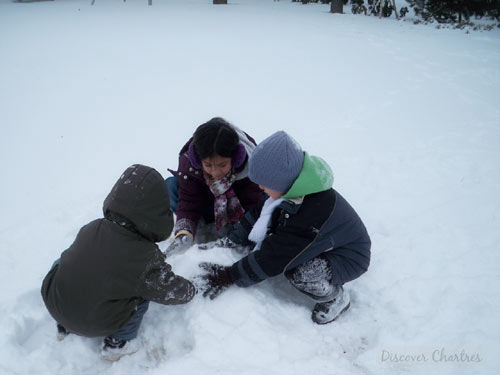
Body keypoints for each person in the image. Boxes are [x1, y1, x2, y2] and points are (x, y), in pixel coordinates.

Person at [198, 131, 371, 325]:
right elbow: (258, 214)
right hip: (324, 243)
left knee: (300, 272)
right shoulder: (290, 191)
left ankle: (335, 298)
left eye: (264, 184)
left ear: (282, 181)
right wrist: (234, 239)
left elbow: (276, 256)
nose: (261, 188)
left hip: (347, 256)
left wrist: (230, 275)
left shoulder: (311, 213)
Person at [41, 164, 196, 361]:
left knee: (69, 260)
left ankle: (64, 326)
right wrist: (193, 288)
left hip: (54, 303)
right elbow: (170, 290)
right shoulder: (145, 257)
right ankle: (118, 343)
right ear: (157, 213)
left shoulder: (92, 227)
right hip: (92, 323)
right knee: (143, 289)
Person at [165, 117, 265, 253]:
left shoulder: (251, 164)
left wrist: (242, 234)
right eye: (208, 165)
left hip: (238, 209)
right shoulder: (189, 165)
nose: (216, 173)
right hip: (206, 205)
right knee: (171, 185)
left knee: (266, 194)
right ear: (198, 160)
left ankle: (232, 228)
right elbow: (188, 202)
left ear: (236, 157)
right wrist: (184, 233)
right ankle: (200, 230)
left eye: (222, 165)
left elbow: (252, 204)